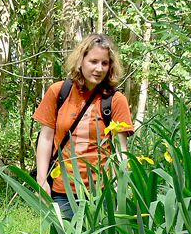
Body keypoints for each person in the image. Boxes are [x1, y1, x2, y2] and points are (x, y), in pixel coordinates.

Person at [33, 34, 134, 219]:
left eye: (104, 63)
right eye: (93, 61)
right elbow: (46, 139)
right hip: (62, 190)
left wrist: (121, 187)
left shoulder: (115, 100)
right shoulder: (58, 92)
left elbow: (121, 151)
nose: (99, 68)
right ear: (81, 61)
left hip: (102, 192)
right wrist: (41, 180)